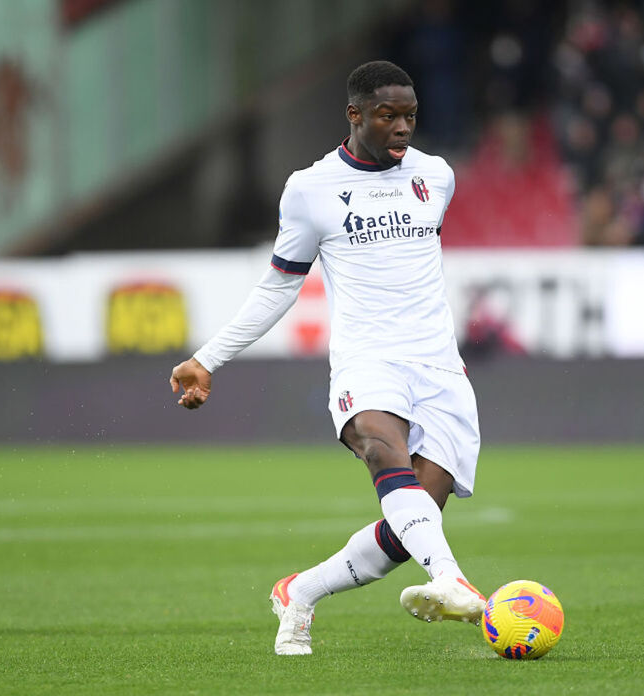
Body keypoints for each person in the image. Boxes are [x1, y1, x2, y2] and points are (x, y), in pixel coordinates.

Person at [168, 61, 485, 655]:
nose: (401, 128)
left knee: (409, 525)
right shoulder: (311, 189)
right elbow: (279, 286)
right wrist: (208, 359)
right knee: (381, 450)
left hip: (440, 368)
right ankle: (451, 578)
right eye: (387, 115)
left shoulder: (435, 177)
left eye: (410, 116)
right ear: (355, 114)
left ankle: (300, 591)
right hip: (368, 362)